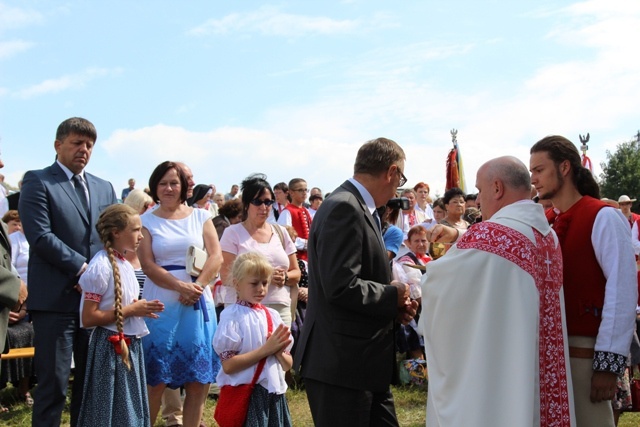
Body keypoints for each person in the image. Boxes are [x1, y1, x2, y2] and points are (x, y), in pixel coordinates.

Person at [421, 156, 576, 427]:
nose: (477, 201)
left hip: (503, 369)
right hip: (544, 371)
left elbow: (440, 288)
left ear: (497, 188)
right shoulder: (547, 236)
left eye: (480, 191)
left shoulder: (488, 235)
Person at [293, 137, 418, 426]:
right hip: (341, 367)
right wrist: (392, 294)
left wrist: (394, 308)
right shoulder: (345, 207)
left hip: (361, 364)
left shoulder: (358, 206)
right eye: (400, 179)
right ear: (392, 172)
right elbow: (341, 285)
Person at [530, 135, 637, 427]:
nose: (534, 178)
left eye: (539, 170)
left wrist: (608, 363)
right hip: (551, 354)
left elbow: (622, 290)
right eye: (531, 172)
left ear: (565, 167)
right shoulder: (547, 222)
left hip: (585, 354)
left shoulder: (603, 217)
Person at [19, 117, 118, 427]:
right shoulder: (38, 181)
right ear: (58, 145)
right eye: (77, 143)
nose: (83, 150)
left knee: (89, 387)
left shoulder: (104, 187)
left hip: (93, 303)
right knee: (54, 385)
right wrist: (84, 271)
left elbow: (112, 236)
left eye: (89, 145)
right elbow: (41, 236)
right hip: (55, 302)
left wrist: (100, 279)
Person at [138, 161, 223, 427]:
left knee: (197, 382)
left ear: (184, 186)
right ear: (155, 187)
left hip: (198, 302)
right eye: (162, 183)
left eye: (174, 182)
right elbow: (148, 265)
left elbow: (216, 255)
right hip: (161, 304)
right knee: (156, 380)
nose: (168, 188)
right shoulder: (145, 221)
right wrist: (180, 287)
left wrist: (197, 287)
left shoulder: (201, 216)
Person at [77, 204, 164, 426]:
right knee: (112, 409)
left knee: (129, 406)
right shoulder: (101, 267)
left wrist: (139, 310)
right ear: (116, 232)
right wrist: (130, 311)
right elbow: (89, 318)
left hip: (129, 343)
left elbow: (120, 303)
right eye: (135, 230)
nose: (141, 236)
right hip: (109, 347)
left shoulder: (123, 263)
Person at [213, 252, 294, 426]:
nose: (261, 289)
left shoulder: (273, 315)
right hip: (248, 394)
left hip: (274, 394)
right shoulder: (232, 316)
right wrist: (266, 350)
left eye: (265, 283)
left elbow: (288, 365)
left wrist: (279, 352)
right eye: (254, 283)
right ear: (237, 284)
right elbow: (228, 365)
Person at [220, 174, 301, 327]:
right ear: (246, 204)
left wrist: (285, 276)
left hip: (279, 307)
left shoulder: (281, 232)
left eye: (268, 202)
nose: (264, 207)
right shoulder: (232, 233)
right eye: (257, 202)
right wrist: (266, 277)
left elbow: (296, 272)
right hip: (243, 308)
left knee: (281, 351)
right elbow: (226, 276)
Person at [277, 178, 312, 262]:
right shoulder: (287, 212)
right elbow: (284, 237)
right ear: (291, 193)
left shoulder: (306, 210)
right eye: (300, 190)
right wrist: (306, 244)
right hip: (296, 259)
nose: (304, 193)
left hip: (309, 257)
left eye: (305, 190)